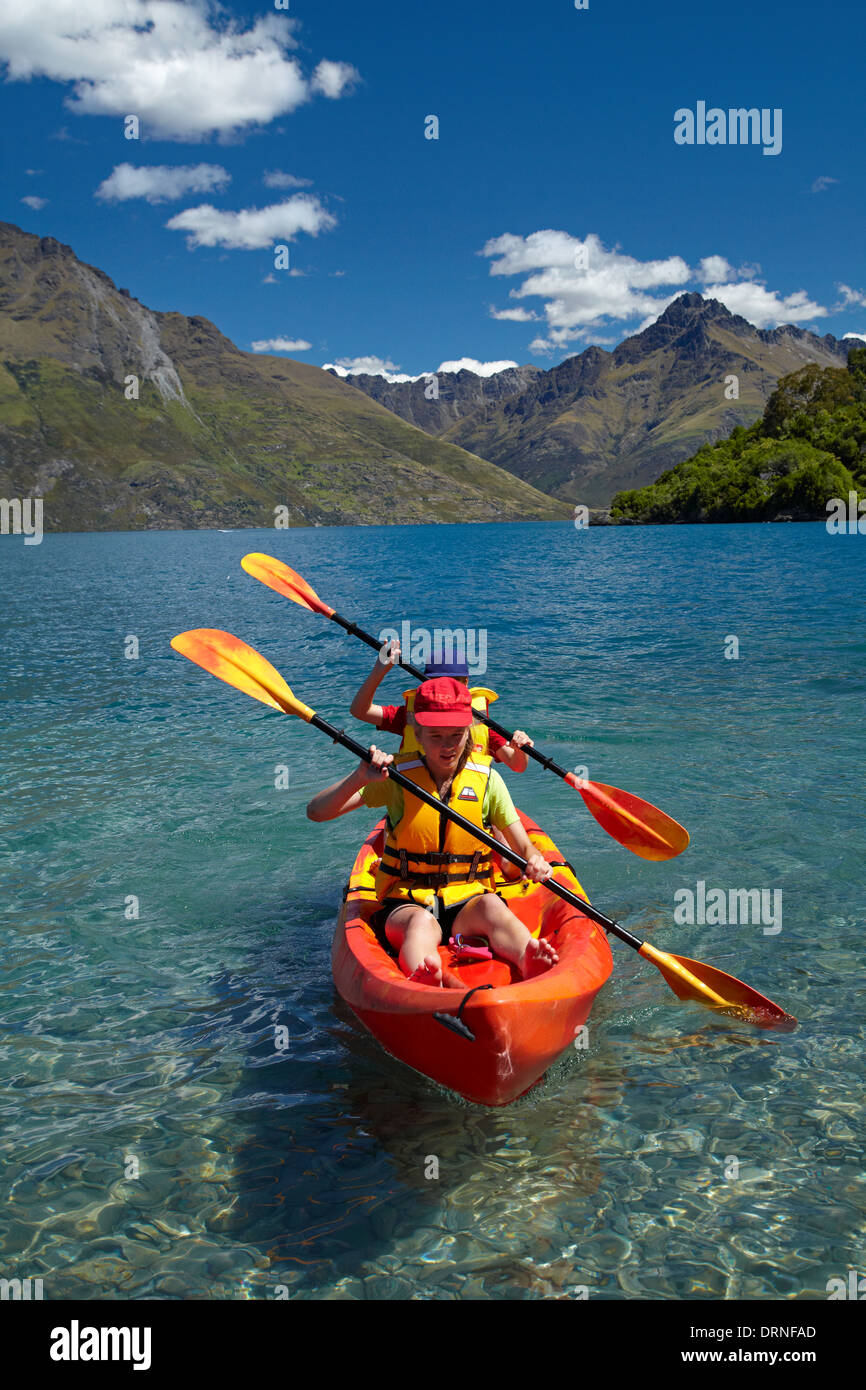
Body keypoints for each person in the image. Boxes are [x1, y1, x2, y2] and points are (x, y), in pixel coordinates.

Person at [307, 678, 559, 987]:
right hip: (407, 901)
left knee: (493, 907)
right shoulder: (396, 777)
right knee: (421, 924)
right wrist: (359, 777)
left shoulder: (488, 781)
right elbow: (317, 812)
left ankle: (525, 956)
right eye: (436, 736)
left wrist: (534, 860)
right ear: (418, 734)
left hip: (467, 900)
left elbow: (523, 845)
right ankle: (424, 979)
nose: (448, 745)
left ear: (468, 733)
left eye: (456, 735)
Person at [349, 639, 534, 771]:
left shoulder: (480, 722)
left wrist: (520, 749)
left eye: (455, 681)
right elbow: (360, 711)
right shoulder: (414, 715)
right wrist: (379, 671)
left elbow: (517, 765)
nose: (446, 688)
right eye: (437, 681)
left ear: (466, 682)